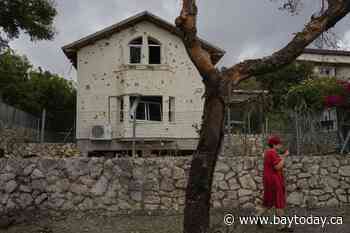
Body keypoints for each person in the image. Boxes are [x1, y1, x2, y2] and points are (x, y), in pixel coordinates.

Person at [255, 135, 293, 232]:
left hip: (269, 180)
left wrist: (281, 156)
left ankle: (257, 216)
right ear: (274, 144)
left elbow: (274, 162)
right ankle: (282, 226)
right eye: (279, 143)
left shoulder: (269, 152)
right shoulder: (272, 152)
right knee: (278, 202)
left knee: (269, 202)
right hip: (274, 181)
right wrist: (284, 157)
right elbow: (277, 167)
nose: (280, 145)